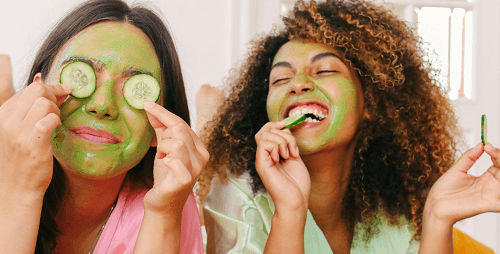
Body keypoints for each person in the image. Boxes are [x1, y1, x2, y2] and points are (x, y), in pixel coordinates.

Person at [195, 0, 500, 253]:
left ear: (371, 104)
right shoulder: (236, 193)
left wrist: (436, 218)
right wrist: (290, 210)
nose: (299, 84)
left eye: (325, 70)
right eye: (281, 79)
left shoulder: (396, 205)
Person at [0, 0, 208, 253]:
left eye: (136, 89)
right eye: (81, 76)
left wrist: (163, 215)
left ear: (160, 128)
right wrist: (21, 191)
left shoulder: (170, 201)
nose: (102, 104)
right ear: (37, 91)